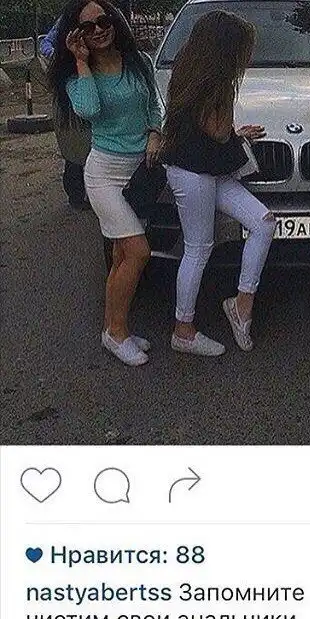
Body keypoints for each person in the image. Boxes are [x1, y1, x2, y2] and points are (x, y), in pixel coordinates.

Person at [47, 0, 162, 366]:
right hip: (104, 175)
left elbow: (154, 104)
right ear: (75, 34)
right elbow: (90, 111)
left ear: (115, 21)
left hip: (138, 173)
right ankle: (116, 333)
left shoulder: (139, 61)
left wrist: (154, 132)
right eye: (87, 26)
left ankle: (114, 328)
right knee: (139, 252)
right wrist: (82, 61)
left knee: (120, 256)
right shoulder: (77, 76)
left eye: (104, 20)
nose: (98, 29)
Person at [161, 10, 276, 356]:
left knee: (263, 222)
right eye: (242, 49)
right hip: (192, 173)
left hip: (207, 169)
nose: (246, 57)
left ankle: (241, 306)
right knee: (198, 248)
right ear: (225, 49)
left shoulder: (188, 73)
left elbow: (211, 131)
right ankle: (183, 330)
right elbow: (219, 131)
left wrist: (235, 134)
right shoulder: (216, 83)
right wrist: (233, 131)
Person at [41, 0, 131, 210]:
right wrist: (66, 57)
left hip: (100, 82)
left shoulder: (109, 14)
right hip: (74, 87)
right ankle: (76, 195)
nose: (97, 29)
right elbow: (46, 44)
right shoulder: (68, 20)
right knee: (75, 147)